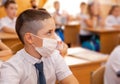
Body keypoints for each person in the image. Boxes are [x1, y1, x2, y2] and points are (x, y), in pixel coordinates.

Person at [0, 9, 79, 84]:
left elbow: (71, 81)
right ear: (30, 38)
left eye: (54, 32)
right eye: (49, 33)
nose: (55, 38)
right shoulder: (11, 67)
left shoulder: (54, 56)